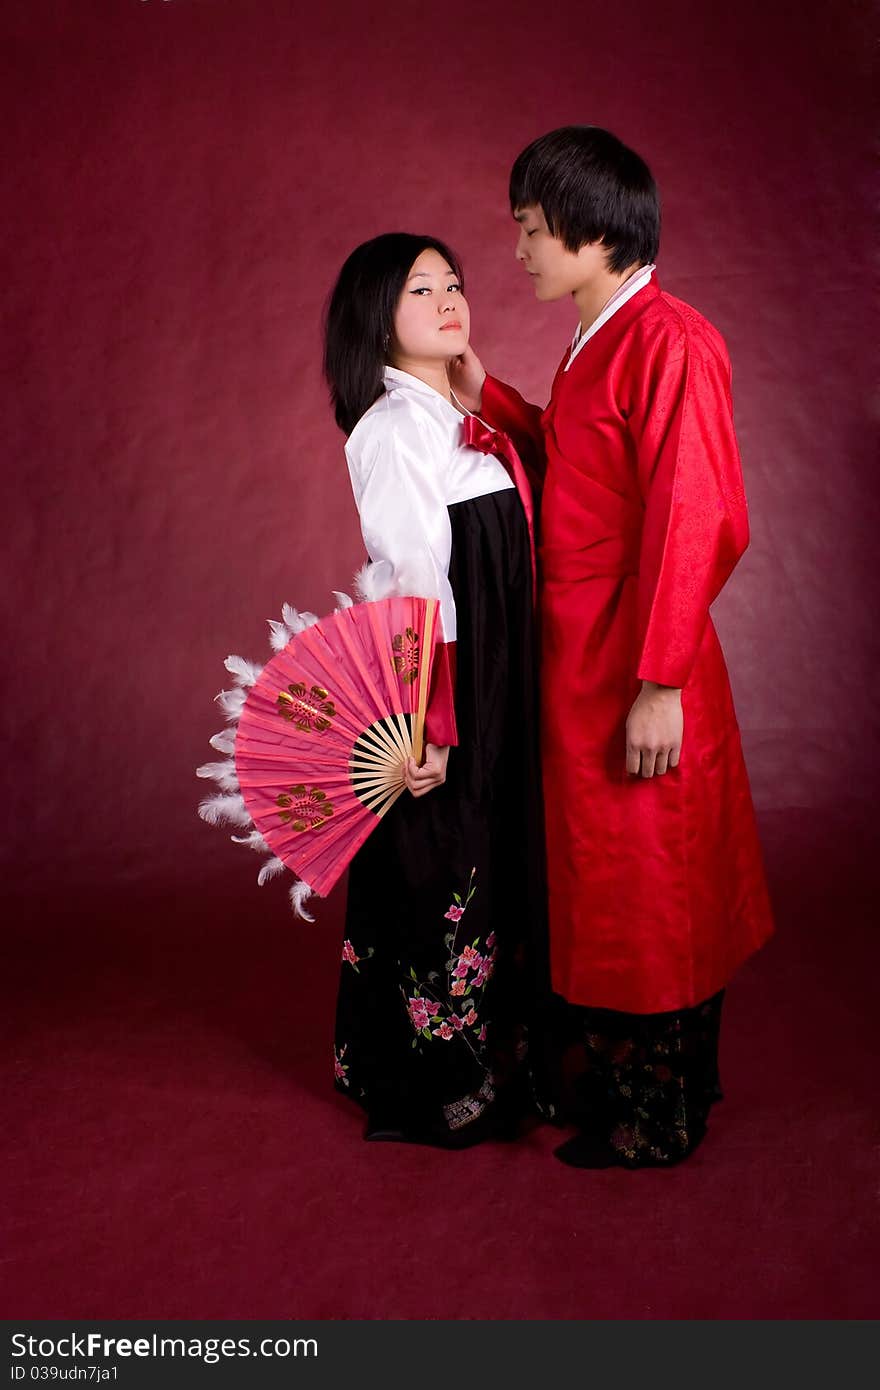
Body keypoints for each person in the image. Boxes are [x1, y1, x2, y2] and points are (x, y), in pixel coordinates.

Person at [450, 127, 774, 1168]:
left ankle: (660, 1114)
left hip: (635, 648)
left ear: (597, 230)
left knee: (650, 878)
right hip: (581, 651)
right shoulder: (600, 335)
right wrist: (486, 395)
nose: (520, 252)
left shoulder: (670, 339)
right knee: (609, 876)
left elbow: (697, 514)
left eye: (534, 230)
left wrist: (659, 680)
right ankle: (633, 1085)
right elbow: (578, 466)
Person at [323, 232, 551, 1147]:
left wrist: (477, 391)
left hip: (498, 671)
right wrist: (429, 721)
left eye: (454, 282)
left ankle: (497, 1052)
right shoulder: (390, 429)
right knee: (440, 858)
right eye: (423, 290)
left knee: (494, 848)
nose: (450, 299)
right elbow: (413, 580)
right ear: (377, 317)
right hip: (444, 679)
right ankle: (435, 1078)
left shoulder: (452, 412)